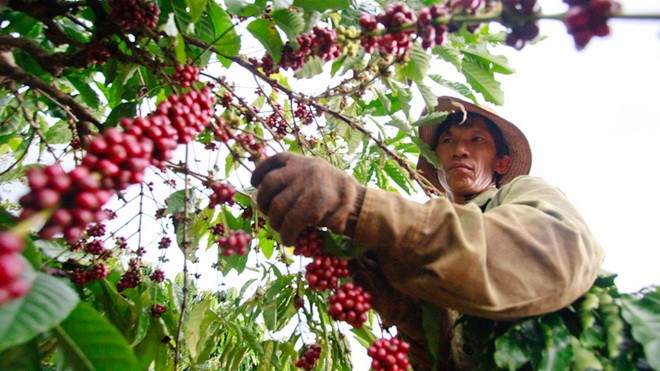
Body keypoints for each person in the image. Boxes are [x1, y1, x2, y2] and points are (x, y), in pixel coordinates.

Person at [250, 96, 604, 369]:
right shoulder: (421, 247)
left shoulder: (520, 192)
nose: (459, 149)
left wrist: (358, 206)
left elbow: (555, 250)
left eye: (476, 139)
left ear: (502, 163)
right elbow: (446, 361)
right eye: (447, 141)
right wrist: (407, 312)